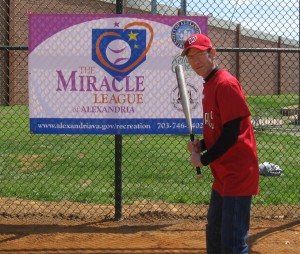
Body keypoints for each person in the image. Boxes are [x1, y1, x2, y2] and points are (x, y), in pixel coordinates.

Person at [181, 34, 260, 254]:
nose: (195, 62)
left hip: (237, 173)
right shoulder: (210, 84)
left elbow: (232, 134)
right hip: (223, 175)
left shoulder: (225, 84)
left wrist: (203, 159)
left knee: (232, 242)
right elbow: (220, 130)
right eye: (190, 58)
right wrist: (202, 145)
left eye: (199, 55)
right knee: (214, 235)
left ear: (212, 53)